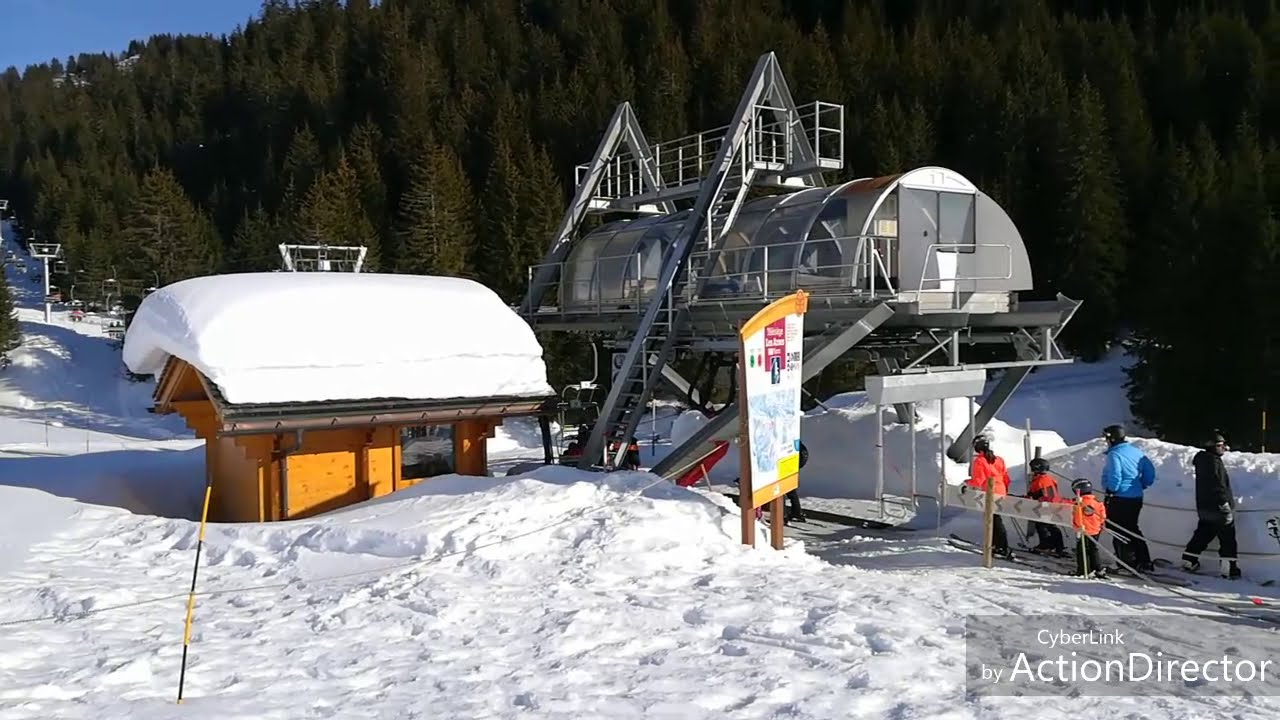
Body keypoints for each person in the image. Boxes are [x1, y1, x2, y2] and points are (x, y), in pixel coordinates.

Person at [1182, 431, 1241, 579]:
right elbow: (1217, 485)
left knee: (1203, 534)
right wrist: (1224, 504)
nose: (1224, 448)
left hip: (1204, 507)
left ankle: (1189, 560)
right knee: (1227, 538)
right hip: (1218, 507)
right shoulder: (1213, 462)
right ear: (1212, 446)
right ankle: (1228, 569)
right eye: (1220, 445)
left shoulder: (1202, 460)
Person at [1099, 423, 1156, 572]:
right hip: (1136, 497)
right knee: (1132, 528)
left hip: (1119, 497)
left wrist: (1112, 489)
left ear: (1111, 438)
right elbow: (1150, 472)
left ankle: (1125, 561)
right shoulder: (1136, 451)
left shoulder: (1114, 454)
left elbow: (1115, 475)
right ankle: (1144, 559)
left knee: (1117, 529)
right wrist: (1141, 485)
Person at [964, 434, 1013, 559]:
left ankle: (1000, 546)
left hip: (989, 492)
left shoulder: (980, 461)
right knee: (996, 519)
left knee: (992, 521)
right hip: (1001, 491)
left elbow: (978, 480)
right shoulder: (999, 459)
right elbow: (1006, 478)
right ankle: (999, 545)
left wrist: (966, 484)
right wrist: (1004, 490)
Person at [1026, 457, 1068, 556]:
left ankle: (1046, 546)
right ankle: (1058, 546)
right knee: (1052, 526)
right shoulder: (1049, 479)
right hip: (1052, 505)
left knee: (1043, 526)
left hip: (1044, 506)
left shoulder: (1039, 481)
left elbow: (1035, 494)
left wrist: (1029, 498)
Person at [1071, 478, 1107, 579]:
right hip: (1096, 530)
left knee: (1082, 551)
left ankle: (1083, 570)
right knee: (1093, 549)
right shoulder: (1097, 502)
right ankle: (1098, 568)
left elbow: (1077, 517)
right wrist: (1101, 524)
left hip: (1083, 530)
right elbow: (1102, 515)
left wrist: (1077, 526)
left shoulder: (1079, 504)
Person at [785, 441, 808, 523]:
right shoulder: (794, 438)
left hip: (785, 466)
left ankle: (782, 514)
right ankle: (797, 512)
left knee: (780, 492)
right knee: (791, 492)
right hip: (792, 466)